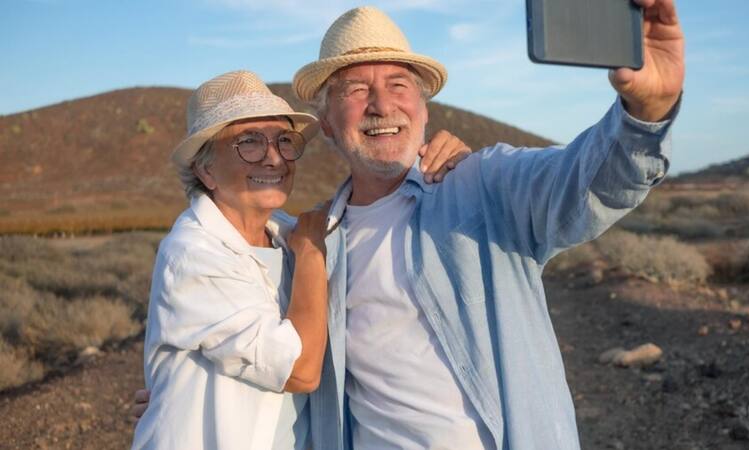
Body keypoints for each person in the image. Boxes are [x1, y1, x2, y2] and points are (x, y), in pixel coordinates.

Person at [287, 1, 683, 449]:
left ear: (422, 107)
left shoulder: (483, 183)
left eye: (398, 85)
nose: (381, 105)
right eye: (355, 90)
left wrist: (646, 113)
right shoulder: (315, 242)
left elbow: (586, 184)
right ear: (326, 123)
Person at [130, 70, 471, 449]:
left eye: (283, 141)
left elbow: (365, 217)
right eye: (249, 143)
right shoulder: (195, 254)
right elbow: (300, 369)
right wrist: (310, 254)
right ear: (205, 168)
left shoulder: (284, 232)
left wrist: (452, 164)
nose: (274, 159)